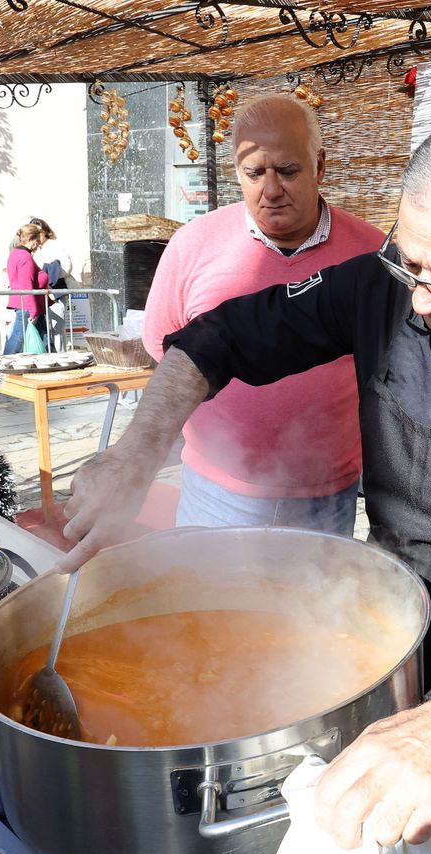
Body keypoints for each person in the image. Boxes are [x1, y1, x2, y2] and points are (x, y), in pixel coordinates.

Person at [61, 118, 431, 850]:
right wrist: (136, 453)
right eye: (411, 265)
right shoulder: (379, 282)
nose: (425, 302)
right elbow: (221, 336)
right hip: (382, 619)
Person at [140, 93, 383, 534]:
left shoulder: (370, 253)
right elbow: (163, 348)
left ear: (320, 166)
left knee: (313, 604)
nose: (270, 191)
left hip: (326, 495)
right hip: (216, 491)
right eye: (254, 173)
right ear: (237, 170)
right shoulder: (193, 244)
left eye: (288, 171)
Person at [27, 217, 73, 350]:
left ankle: (61, 355)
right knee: (43, 327)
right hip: (39, 293)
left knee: (56, 326)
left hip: (55, 291)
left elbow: (66, 267)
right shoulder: (33, 250)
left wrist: (47, 272)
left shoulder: (55, 247)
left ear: (46, 232)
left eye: (39, 233)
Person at [4, 223, 49, 354]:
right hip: (27, 305)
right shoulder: (25, 257)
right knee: (17, 338)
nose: (39, 245)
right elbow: (26, 286)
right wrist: (33, 311)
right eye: (37, 241)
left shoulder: (16, 254)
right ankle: (4, 365)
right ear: (30, 239)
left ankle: (50, 362)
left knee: (44, 337)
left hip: (28, 303)